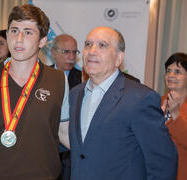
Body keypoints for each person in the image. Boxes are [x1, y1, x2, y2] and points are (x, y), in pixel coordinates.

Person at [0, 4, 69, 180]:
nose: (19, 39)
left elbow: (64, 132)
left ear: (42, 40)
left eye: (28, 32)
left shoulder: (58, 80)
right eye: (14, 30)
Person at [68, 26, 178, 180]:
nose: (92, 51)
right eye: (88, 44)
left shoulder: (140, 98)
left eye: (102, 45)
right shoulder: (75, 94)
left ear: (119, 58)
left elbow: (163, 162)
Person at [50, 34, 81, 180]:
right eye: (66, 52)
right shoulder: (41, 77)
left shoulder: (84, 79)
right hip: (46, 146)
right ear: (54, 52)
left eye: (74, 52)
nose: (71, 57)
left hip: (71, 150)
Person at [161, 52, 187, 180]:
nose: (171, 75)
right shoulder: (154, 102)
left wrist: (176, 114)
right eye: (168, 71)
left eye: (178, 72)